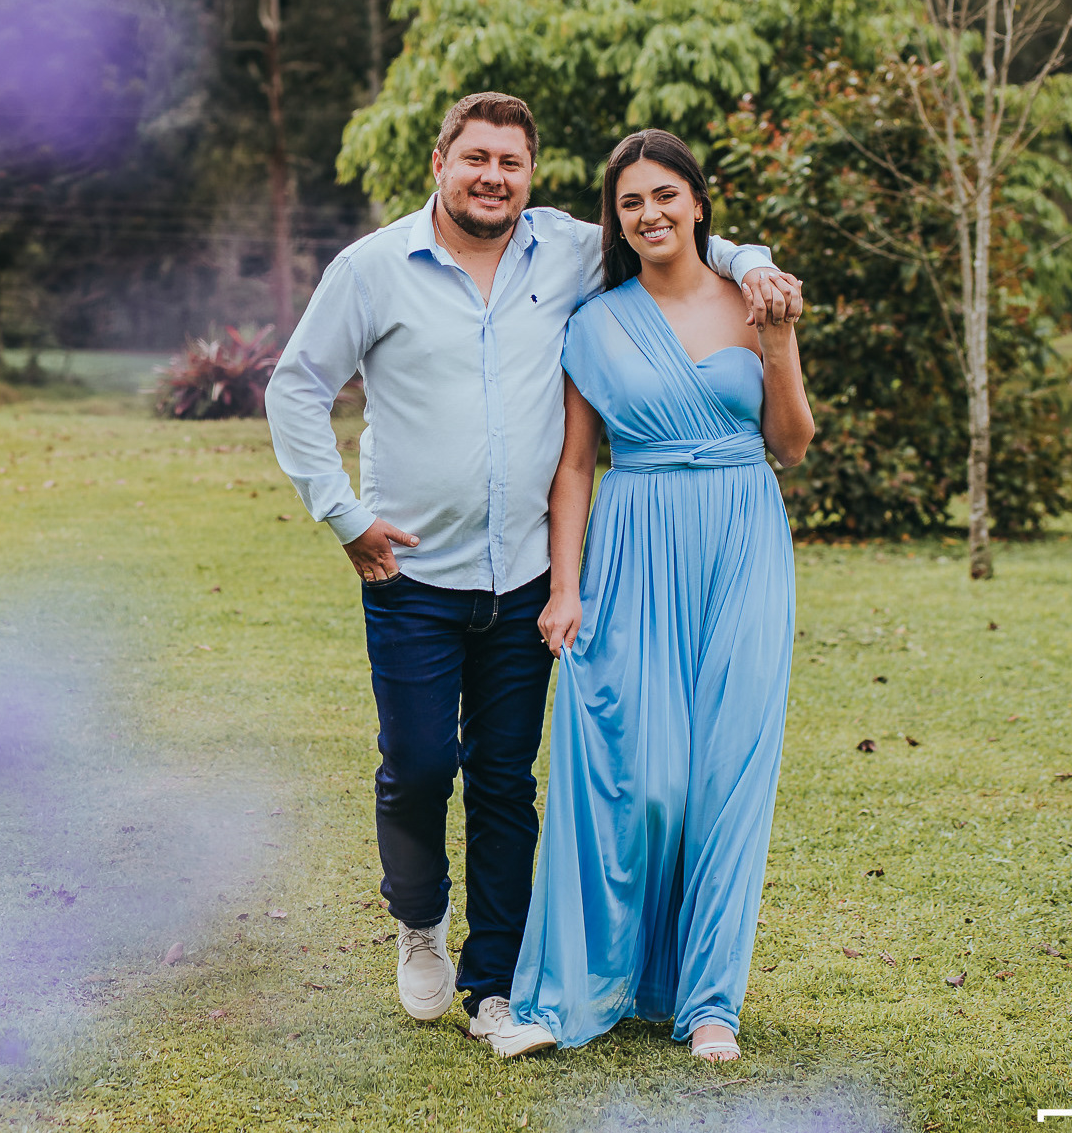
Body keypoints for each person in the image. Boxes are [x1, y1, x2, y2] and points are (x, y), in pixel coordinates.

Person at [265, 94, 803, 1058]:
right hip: (412, 569)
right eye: (476, 158)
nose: (492, 177)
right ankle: (419, 917)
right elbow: (297, 386)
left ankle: (496, 985)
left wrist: (753, 260)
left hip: (523, 571)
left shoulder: (564, 250)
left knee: (506, 781)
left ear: (532, 177)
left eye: (510, 163)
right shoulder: (372, 269)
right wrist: (344, 516)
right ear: (440, 163)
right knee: (419, 766)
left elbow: (682, 234)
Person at [509, 128, 813, 1062]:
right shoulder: (595, 323)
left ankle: (710, 1003)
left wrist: (780, 342)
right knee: (644, 775)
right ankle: (599, 981)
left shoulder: (754, 301)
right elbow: (574, 466)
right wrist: (565, 589)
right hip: (636, 541)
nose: (649, 214)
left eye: (665, 195)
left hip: (743, 536)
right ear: (616, 218)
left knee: (728, 774)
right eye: (631, 202)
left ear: (698, 202)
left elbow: (793, 443)